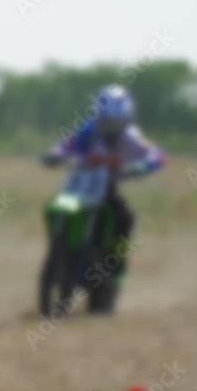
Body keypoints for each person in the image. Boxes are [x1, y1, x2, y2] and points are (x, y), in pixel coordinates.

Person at [40, 84, 166, 276]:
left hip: (105, 188)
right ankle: (61, 245)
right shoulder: (88, 131)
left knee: (125, 218)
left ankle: (115, 266)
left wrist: (142, 166)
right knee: (56, 208)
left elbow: (156, 155)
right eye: (104, 121)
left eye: (113, 122)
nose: (108, 127)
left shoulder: (132, 138)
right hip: (78, 185)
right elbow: (67, 145)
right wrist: (55, 154)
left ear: (124, 120)